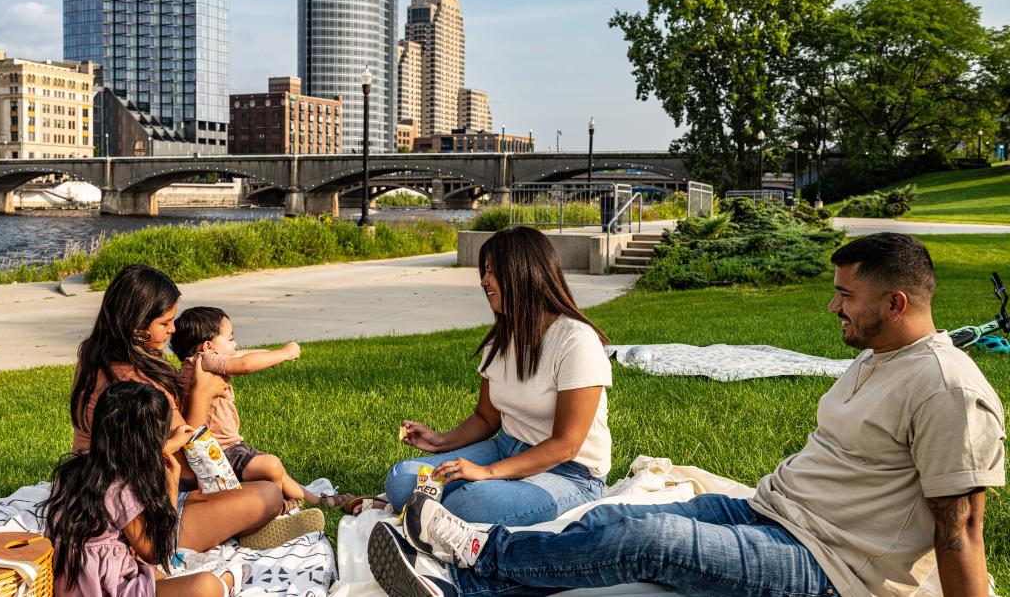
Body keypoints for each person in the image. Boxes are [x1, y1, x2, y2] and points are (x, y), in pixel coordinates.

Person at [370, 232, 1006, 597]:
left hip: (831, 566)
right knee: (622, 516)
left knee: (646, 541)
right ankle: (468, 557)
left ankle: (472, 570)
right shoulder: (878, 357)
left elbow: (962, 530)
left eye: (846, 295)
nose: (834, 308)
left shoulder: (948, 390)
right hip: (772, 513)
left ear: (894, 303)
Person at [384, 226, 613, 526]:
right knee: (402, 481)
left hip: (570, 473)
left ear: (523, 273)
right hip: (506, 446)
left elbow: (566, 444)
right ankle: (452, 505)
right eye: (485, 271)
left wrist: (486, 473)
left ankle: (464, 502)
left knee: (470, 502)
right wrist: (440, 441)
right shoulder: (501, 339)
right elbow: (486, 418)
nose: (483, 281)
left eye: (492, 272)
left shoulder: (576, 341)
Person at [70, 264, 302, 552]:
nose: (174, 328)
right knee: (267, 495)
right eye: (165, 322)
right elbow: (189, 456)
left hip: (86, 488)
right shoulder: (139, 381)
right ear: (138, 326)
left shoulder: (94, 355)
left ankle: (233, 524)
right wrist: (202, 394)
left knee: (256, 487)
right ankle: (234, 528)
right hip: (132, 513)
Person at [45, 381, 249, 597]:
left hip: (70, 580)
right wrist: (171, 486)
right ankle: (226, 586)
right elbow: (156, 553)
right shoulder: (122, 489)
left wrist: (167, 446)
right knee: (206, 585)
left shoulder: (76, 468)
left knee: (157, 575)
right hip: (105, 587)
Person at [171, 306, 355, 510]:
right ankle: (274, 509)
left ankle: (317, 501)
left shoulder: (192, 363)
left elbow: (242, 355)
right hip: (222, 453)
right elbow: (244, 364)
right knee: (271, 465)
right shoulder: (205, 360)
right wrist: (284, 354)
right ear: (207, 346)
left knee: (279, 473)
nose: (235, 344)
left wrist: (272, 356)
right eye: (230, 339)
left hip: (227, 449)